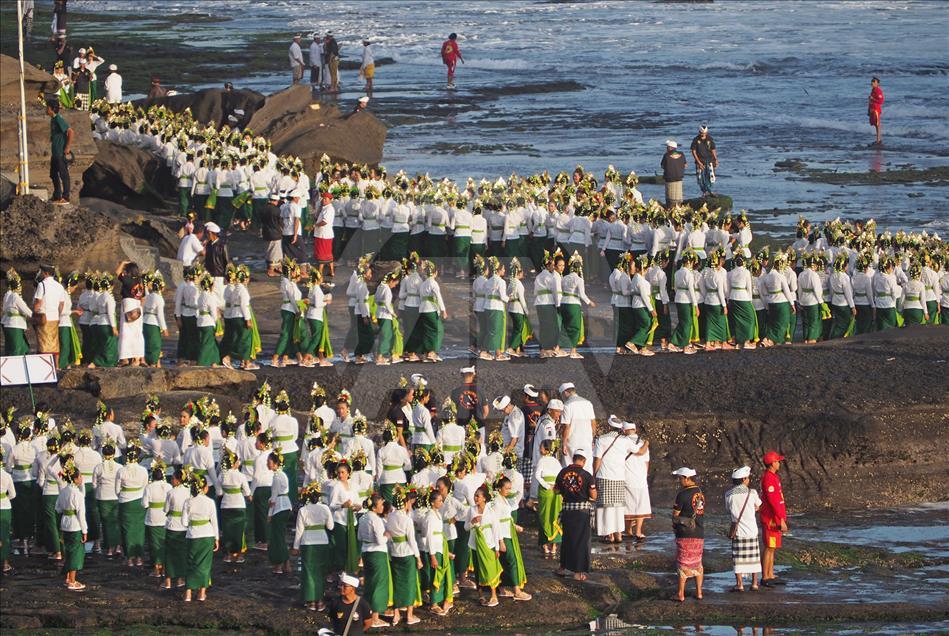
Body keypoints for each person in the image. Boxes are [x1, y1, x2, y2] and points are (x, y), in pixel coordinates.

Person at [554, 451, 597, 581]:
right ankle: (578, 572)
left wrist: (566, 491)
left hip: (567, 510)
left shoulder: (562, 472)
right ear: (583, 461)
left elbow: (556, 490)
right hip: (582, 512)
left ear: (573, 459)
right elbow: (593, 495)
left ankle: (562, 567)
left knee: (567, 540)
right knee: (581, 541)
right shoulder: (587, 475)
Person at [724, 466, 762, 592]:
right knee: (754, 558)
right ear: (744, 479)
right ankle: (754, 583)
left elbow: (728, 510)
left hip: (738, 530)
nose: (748, 480)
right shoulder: (752, 492)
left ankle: (739, 584)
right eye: (747, 478)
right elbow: (758, 505)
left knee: (738, 558)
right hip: (751, 529)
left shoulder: (728, 494)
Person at [593, 416, 630, 543]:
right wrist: (645, 443)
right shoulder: (625, 440)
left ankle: (609, 535)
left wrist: (594, 474)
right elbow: (638, 450)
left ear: (609, 426)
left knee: (606, 507)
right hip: (619, 477)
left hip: (604, 475)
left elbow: (597, 459)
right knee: (618, 507)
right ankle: (618, 534)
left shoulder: (601, 439)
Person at [671, 467, 705, 602]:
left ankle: (680, 593)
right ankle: (699, 592)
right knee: (698, 563)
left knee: (683, 562)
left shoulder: (682, 494)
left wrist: (674, 527)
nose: (679, 481)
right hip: (699, 531)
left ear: (686, 478)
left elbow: (675, 514)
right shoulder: (700, 492)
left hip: (685, 533)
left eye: (680, 478)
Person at [55, 461, 87, 591]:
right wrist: (85, 531)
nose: (81, 478)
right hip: (75, 525)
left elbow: (57, 508)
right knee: (75, 553)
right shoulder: (77, 494)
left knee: (68, 551)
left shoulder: (63, 491)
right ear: (75, 478)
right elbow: (81, 514)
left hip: (65, 523)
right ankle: (72, 581)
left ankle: (68, 578)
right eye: (80, 476)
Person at [759, 450, 788, 587]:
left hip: (775, 517)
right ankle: (765, 576)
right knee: (769, 547)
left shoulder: (773, 477)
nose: (779, 464)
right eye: (777, 461)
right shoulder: (769, 479)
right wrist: (780, 519)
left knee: (773, 547)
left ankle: (770, 574)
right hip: (771, 519)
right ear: (772, 463)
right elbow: (773, 501)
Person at [622, 422, 651, 541]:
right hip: (641, 479)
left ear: (624, 430)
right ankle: (638, 531)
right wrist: (644, 476)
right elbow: (646, 463)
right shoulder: (643, 443)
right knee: (640, 506)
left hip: (627, 477)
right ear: (635, 429)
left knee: (628, 505)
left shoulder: (623, 441)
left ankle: (628, 531)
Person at [34, 265, 66, 365]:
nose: (40, 274)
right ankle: (56, 365)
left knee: (43, 342)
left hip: (44, 316)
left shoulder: (42, 285)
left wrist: (34, 313)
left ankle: (44, 364)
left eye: (41, 272)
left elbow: (38, 301)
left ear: (46, 273)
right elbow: (61, 304)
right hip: (55, 317)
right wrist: (59, 315)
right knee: (54, 342)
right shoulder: (59, 286)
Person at [47, 99, 73, 205]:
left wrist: (67, 147)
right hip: (55, 152)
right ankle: (57, 195)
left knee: (63, 174)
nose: (46, 109)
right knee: (53, 174)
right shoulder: (53, 120)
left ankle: (66, 197)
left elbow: (70, 132)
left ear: (52, 109)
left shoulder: (58, 119)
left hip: (60, 152)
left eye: (48, 107)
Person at [3, 268, 33, 356]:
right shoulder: (15, 296)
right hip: (15, 324)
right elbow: (26, 310)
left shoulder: (7, 295)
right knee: (17, 350)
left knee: (20, 347)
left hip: (8, 323)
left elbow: (4, 309)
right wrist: (36, 316)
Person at [690, 125, 718, 197]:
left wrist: (716, 159)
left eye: (705, 133)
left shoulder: (710, 139)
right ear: (699, 132)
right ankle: (705, 192)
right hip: (700, 161)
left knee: (711, 176)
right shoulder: (696, 140)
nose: (703, 134)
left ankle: (709, 190)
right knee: (701, 178)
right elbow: (693, 152)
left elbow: (713, 150)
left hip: (710, 160)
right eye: (702, 133)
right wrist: (698, 162)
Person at [312, 191, 335, 278]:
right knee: (326, 253)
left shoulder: (329, 209)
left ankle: (320, 272)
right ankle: (331, 271)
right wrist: (320, 207)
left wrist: (315, 225)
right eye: (323, 199)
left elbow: (325, 222)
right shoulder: (324, 208)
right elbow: (316, 217)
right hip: (321, 233)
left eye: (325, 199)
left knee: (323, 254)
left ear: (330, 200)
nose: (323, 200)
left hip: (324, 234)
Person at [660, 140, 687, 208]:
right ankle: (679, 206)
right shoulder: (682, 154)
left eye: (667, 147)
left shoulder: (666, 155)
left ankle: (670, 207)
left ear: (670, 148)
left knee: (670, 196)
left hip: (669, 178)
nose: (666, 148)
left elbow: (662, 166)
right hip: (679, 177)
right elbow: (685, 165)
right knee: (678, 196)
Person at [868, 76, 884, 145]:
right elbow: (870, 101)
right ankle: (878, 140)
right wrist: (868, 110)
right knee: (875, 124)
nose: (872, 82)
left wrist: (872, 99)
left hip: (876, 109)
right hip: (872, 109)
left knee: (877, 124)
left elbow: (881, 101)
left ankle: (878, 140)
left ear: (877, 83)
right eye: (872, 81)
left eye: (874, 81)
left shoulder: (878, 90)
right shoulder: (873, 90)